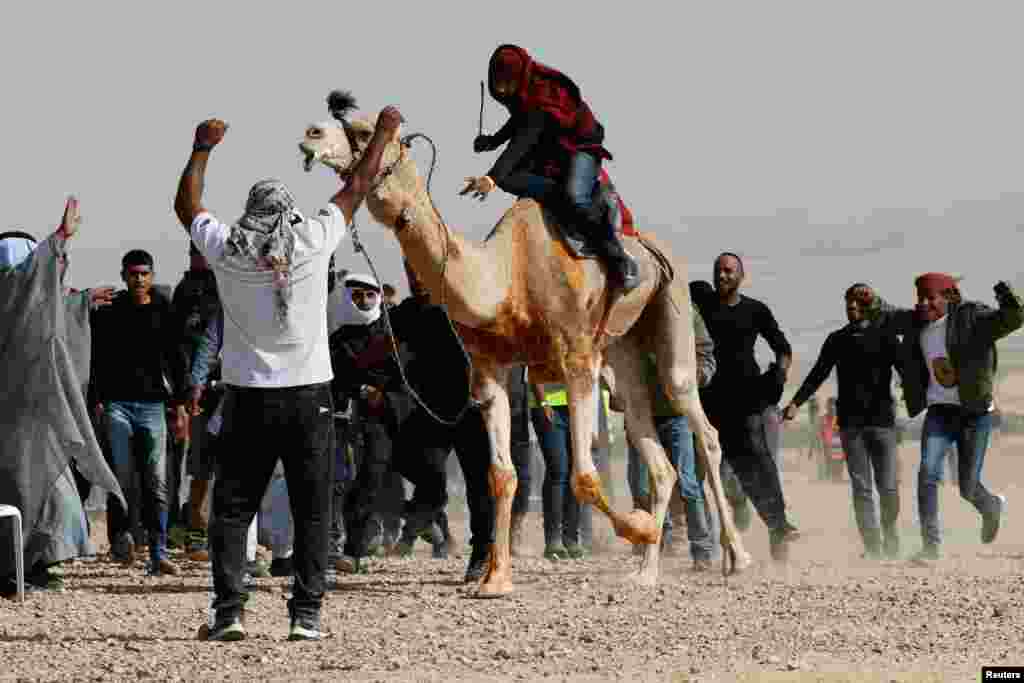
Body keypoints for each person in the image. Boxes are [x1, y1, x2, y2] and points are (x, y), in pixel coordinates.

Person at [174, 104, 404, 642]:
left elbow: (186, 206)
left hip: (248, 397)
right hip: (308, 399)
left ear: (250, 212)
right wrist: (386, 133)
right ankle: (306, 615)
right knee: (312, 509)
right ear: (289, 215)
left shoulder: (227, 250)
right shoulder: (310, 241)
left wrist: (201, 148)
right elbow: (360, 185)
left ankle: (230, 612)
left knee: (232, 511)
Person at [0, 201, 122, 594]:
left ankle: (39, 564)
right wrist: (60, 239)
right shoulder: (18, 290)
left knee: (50, 491)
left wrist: (81, 300)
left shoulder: (32, 299)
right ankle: (22, 567)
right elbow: (35, 285)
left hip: (35, 412)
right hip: (20, 413)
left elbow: (49, 301)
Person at [463, 44, 640, 294]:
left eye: (505, 82)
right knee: (510, 178)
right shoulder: (525, 92)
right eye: (497, 81)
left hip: (580, 145)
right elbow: (520, 122)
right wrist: (492, 141)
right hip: (551, 146)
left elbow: (523, 138)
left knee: (574, 197)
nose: (501, 89)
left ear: (517, 75)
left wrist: (491, 178)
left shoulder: (543, 93)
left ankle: (619, 258)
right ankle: (556, 198)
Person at [870, 274, 1021, 564]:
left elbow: (1011, 319)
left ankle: (990, 506)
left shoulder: (972, 318)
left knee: (967, 486)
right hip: (940, 411)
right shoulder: (917, 323)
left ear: (949, 296)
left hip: (975, 413)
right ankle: (931, 547)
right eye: (920, 298)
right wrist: (873, 301)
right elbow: (890, 315)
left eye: (931, 297)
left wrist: (1007, 297)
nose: (924, 303)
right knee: (927, 473)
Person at [783, 283, 903, 560]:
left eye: (858, 301)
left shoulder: (886, 336)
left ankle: (890, 530)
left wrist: (920, 392)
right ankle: (873, 546)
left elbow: (906, 369)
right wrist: (796, 402)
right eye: (848, 302)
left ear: (869, 304)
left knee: (887, 486)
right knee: (861, 487)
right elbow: (818, 374)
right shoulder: (837, 339)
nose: (852, 306)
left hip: (882, 422)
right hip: (851, 425)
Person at [90, 249, 189, 576]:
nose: (139, 279)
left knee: (157, 480)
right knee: (121, 477)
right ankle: (122, 539)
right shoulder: (110, 312)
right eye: (133, 273)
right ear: (124, 275)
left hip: (152, 407)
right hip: (117, 404)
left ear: (152, 275)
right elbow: (97, 358)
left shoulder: (164, 311)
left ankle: (158, 551)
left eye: (145, 273)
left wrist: (182, 405)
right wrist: (97, 399)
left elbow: (176, 359)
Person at [699, 253, 800, 560]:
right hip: (712, 401)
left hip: (748, 397)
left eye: (729, 271)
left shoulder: (755, 310)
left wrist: (780, 375)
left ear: (742, 276)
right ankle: (769, 524)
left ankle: (779, 524)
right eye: (718, 270)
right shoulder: (701, 304)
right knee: (738, 474)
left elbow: (783, 348)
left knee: (760, 459)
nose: (722, 276)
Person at [627, 301, 718, 570]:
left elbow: (705, 355)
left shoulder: (685, 310)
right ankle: (656, 542)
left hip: (675, 412)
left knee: (687, 483)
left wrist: (694, 379)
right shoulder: (630, 307)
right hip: (640, 414)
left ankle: (702, 549)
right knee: (641, 484)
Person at [173, 241, 222, 561]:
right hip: (199, 392)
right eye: (195, 252)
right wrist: (189, 388)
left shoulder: (229, 284)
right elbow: (181, 343)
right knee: (201, 463)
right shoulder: (185, 290)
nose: (200, 257)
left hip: (234, 387)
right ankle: (195, 530)